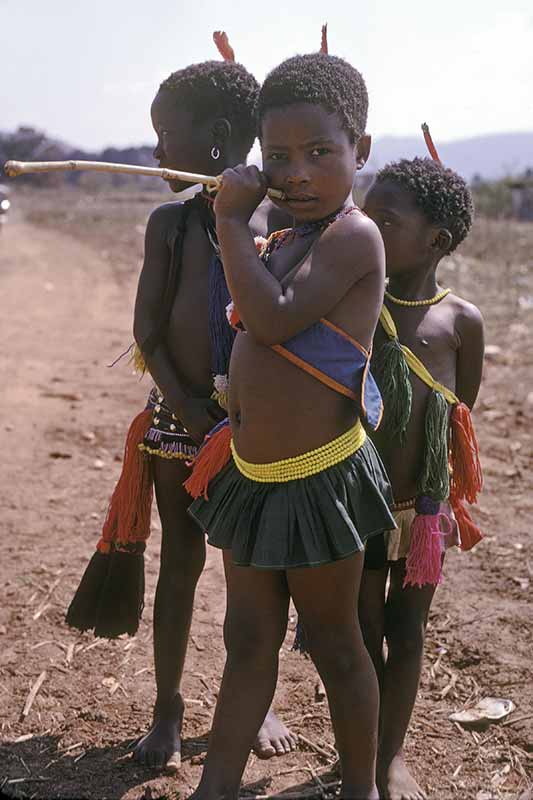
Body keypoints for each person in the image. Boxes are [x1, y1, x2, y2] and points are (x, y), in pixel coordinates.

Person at [66, 36, 295, 771]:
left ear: (218, 139)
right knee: (181, 562)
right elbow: (146, 332)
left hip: (258, 432)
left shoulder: (278, 224)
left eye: (168, 133)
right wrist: (196, 414)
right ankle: (166, 708)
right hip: (178, 427)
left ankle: (250, 701)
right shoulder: (170, 225)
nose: (157, 146)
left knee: (252, 573)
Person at [185, 52, 396, 800]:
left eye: (319, 153)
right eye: (277, 157)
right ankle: (213, 788)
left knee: (337, 642)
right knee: (247, 640)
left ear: (359, 152)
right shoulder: (281, 236)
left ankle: (360, 789)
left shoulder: (351, 237)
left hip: (317, 479)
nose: (297, 172)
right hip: (255, 477)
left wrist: (230, 220)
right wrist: (245, 227)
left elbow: (271, 320)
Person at [360, 156, 485, 800]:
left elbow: (461, 415)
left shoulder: (460, 322)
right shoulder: (353, 297)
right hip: (352, 499)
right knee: (358, 630)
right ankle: (356, 751)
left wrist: (438, 497)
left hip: (423, 509)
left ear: (436, 239)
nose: (366, 225)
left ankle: (389, 757)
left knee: (407, 630)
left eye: (385, 219)